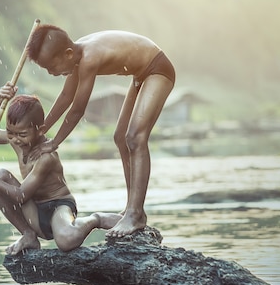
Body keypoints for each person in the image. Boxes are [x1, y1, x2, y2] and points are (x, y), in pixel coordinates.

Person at [25, 24, 176, 238]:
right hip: (139, 77)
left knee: (135, 138)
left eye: (52, 67)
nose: (52, 73)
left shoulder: (89, 58)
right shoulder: (75, 55)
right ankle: (132, 209)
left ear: (67, 54)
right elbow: (65, 97)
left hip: (157, 69)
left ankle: (135, 213)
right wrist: (41, 130)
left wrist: (54, 142)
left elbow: (77, 109)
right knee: (120, 139)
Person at [0, 83, 121, 255]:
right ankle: (28, 235)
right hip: (34, 207)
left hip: (59, 205)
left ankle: (96, 219)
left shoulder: (46, 157)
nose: (15, 140)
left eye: (22, 135)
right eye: (11, 133)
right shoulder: (16, 137)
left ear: (40, 130)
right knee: (1, 176)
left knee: (66, 241)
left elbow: (21, 195)